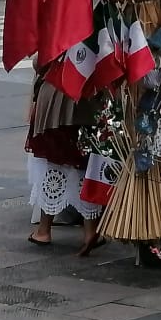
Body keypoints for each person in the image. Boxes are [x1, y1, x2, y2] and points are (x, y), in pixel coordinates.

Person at [26, 65, 105, 256]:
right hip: (87, 100)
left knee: (53, 164)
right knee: (85, 165)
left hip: (55, 99)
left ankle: (44, 230)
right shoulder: (96, 34)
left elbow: (40, 62)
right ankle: (89, 231)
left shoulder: (57, 35)